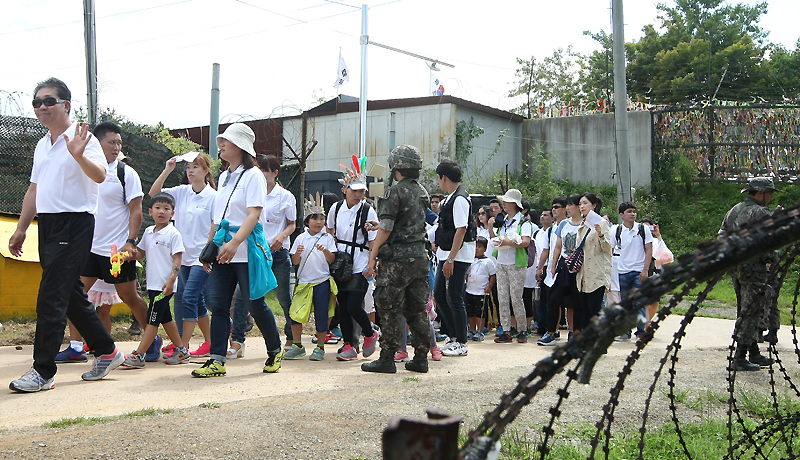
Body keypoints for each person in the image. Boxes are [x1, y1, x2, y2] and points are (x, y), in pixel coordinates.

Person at [8, 77, 124, 392]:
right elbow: (34, 188)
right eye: (37, 102)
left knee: (51, 296)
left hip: (75, 223)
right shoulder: (42, 144)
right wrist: (21, 227)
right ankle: (107, 350)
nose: (41, 107)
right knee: (69, 294)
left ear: (66, 105)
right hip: (46, 225)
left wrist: (79, 155)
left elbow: (100, 176)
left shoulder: (82, 138)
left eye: (49, 101)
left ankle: (42, 371)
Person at [192, 123, 284, 378]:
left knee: (255, 305)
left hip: (246, 252)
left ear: (241, 147)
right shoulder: (224, 177)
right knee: (219, 306)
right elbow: (218, 218)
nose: (221, 145)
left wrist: (234, 244)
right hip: (223, 251)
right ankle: (217, 359)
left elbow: (254, 214)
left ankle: (275, 350)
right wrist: (210, 248)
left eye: (226, 142)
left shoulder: (253, 175)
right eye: (221, 141)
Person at [56, 122, 152, 363]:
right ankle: (77, 346)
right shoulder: (84, 169)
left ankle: (152, 340)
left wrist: (131, 242)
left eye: (119, 143)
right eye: (112, 142)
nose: (117, 147)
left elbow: (136, 210)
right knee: (74, 294)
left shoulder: (125, 173)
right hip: (87, 248)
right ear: (97, 144)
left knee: (130, 297)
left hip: (116, 251)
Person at [361, 145, 433, 373]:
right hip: (419, 258)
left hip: (397, 262)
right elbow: (407, 223)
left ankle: (387, 358)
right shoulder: (422, 191)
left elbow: (387, 228)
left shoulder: (394, 192)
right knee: (417, 309)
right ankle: (421, 357)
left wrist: (372, 257)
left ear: (396, 166)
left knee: (389, 307)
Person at [149, 151, 216, 358]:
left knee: (188, 296)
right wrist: (168, 169)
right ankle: (209, 342)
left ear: (206, 171)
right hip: (183, 256)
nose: (190, 171)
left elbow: (215, 224)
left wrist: (207, 252)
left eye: (195, 167)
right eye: (187, 167)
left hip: (201, 258)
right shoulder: (182, 191)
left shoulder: (214, 196)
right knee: (194, 300)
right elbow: (154, 194)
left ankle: (182, 347)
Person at [719, 177, 781, 371]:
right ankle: (739, 357)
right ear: (760, 193)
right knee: (752, 311)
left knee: (744, 308)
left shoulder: (734, 210)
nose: (770, 197)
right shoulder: (761, 212)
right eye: (769, 193)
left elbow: (721, 236)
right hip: (754, 269)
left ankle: (753, 352)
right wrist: (772, 259)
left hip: (736, 268)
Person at [122, 193, 188, 367]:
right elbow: (141, 253)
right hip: (152, 285)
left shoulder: (173, 234)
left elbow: (177, 260)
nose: (162, 212)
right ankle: (181, 350)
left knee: (152, 320)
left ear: (172, 213)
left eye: (166, 209)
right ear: (150, 211)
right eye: (158, 208)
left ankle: (139, 355)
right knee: (165, 318)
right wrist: (129, 254)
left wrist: (171, 280)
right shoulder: (149, 232)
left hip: (164, 286)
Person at [326, 167, 379, 361]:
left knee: (354, 305)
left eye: (361, 191)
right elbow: (329, 230)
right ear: (345, 189)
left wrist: (372, 263)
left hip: (361, 261)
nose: (358, 195)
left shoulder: (367, 209)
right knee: (343, 305)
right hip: (342, 262)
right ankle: (349, 344)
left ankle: (369, 333)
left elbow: (373, 239)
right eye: (354, 190)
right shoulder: (336, 208)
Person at [285, 194, 337, 361]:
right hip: (304, 282)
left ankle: (320, 347)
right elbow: (294, 261)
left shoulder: (328, 238)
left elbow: (332, 259)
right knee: (295, 314)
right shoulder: (301, 238)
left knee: (322, 315)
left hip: (322, 281)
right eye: (315, 218)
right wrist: (298, 254)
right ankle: (297, 345)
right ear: (307, 221)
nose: (319, 222)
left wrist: (325, 251)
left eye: (322, 218)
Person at [433, 159, 477, 356]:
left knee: (455, 296)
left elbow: (462, 229)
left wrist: (451, 259)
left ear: (444, 177)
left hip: (458, 255)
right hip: (447, 252)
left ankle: (461, 341)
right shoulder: (449, 198)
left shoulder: (460, 198)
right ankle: (452, 335)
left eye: (439, 178)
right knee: (440, 295)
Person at [256, 155, 297, 347]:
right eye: (259, 170)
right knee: (246, 295)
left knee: (283, 297)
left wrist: (281, 236)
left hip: (278, 253)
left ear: (275, 172)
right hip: (255, 252)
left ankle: (291, 337)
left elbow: (292, 224)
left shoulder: (286, 196)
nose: (262, 174)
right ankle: (238, 339)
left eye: (265, 170)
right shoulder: (252, 193)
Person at [490, 189, 534, 344]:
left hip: (516, 264)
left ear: (514, 204)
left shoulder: (523, 222)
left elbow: (525, 241)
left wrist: (507, 242)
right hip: (501, 262)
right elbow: (495, 239)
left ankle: (522, 330)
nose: (504, 205)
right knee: (502, 298)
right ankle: (506, 330)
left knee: (516, 298)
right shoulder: (503, 221)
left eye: (506, 202)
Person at [539, 195, 582, 346]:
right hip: (563, 265)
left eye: (571, 205)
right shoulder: (564, 224)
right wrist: (553, 266)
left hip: (579, 266)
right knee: (554, 299)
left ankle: (574, 333)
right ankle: (551, 332)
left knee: (575, 302)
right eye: (568, 205)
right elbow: (558, 246)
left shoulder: (585, 225)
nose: (569, 208)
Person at [612, 202, 654, 341]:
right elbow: (610, 249)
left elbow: (649, 250)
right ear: (622, 215)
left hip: (638, 271)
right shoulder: (616, 230)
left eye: (634, 211)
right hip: (623, 271)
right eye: (629, 211)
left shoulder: (642, 229)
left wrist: (645, 270)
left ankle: (641, 332)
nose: (633, 214)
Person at [575, 193, 612, 332]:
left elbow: (608, 249)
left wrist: (601, 235)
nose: (581, 206)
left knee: (594, 310)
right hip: (583, 275)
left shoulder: (602, 223)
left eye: (585, 203)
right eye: (580, 203)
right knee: (585, 311)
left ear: (594, 205)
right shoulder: (582, 224)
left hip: (597, 274)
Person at [641, 218, 673, 328]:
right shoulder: (637, 241)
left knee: (655, 300)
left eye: (648, 227)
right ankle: (646, 323)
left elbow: (669, 256)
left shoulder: (656, 241)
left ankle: (648, 321)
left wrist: (658, 235)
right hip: (643, 274)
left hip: (656, 274)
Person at [465, 237, 496, 341]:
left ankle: (480, 331)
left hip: (481, 291)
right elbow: (467, 273)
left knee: (480, 313)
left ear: (485, 249)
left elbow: (493, 275)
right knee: (471, 312)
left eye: (480, 247)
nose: (477, 249)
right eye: (475, 247)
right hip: (469, 290)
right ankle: (472, 330)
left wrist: (489, 287)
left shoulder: (488, 262)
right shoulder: (470, 260)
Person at [531, 209, 553, 334]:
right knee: (539, 300)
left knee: (550, 300)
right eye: (542, 214)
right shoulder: (536, 233)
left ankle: (552, 328)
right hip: (537, 269)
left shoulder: (553, 232)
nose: (542, 217)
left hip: (547, 268)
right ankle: (541, 325)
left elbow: (548, 250)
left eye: (546, 215)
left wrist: (541, 268)